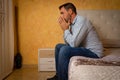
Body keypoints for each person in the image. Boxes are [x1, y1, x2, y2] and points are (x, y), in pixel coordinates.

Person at [47, 2, 103, 80]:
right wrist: (66, 29)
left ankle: (63, 78)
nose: (61, 16)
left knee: (64, 50)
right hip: (84, 48)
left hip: (94, 52)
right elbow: (68, 43)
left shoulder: (82, 21)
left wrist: (65, 29)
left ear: (70, 11)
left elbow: (73, 44)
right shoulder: (72, 24)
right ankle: (58, 76)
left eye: (62, 13)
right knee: (58, 46)